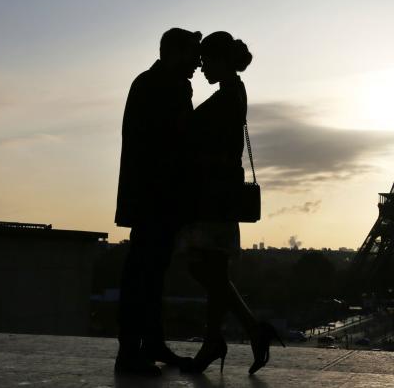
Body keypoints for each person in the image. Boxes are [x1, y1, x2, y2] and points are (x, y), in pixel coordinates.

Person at [179, 31, 283, 375]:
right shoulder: (232, 92)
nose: (202, 66)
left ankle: (227, 336)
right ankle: (239, 333)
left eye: (207, 60)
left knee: (205, 268)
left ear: (222, 60)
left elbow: (205, 140)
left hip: (213, 193)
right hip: (220, 192)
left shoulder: (225, 98)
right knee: (212, 269)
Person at [114, 27, 201, 376]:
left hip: (152, 199)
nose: (197, 62)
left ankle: (146, 345)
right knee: (144, 276)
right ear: (175, 53)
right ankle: (133, 351)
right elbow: (172, 143)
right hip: (157, 199)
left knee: (148, 276)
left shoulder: (153, 83)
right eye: (192, 54)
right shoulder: (163, 86)